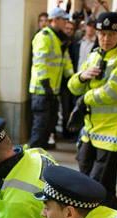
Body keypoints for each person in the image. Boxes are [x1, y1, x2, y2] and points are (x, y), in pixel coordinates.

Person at [67, 12, 117, 210]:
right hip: (91, 130)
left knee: (96, 185)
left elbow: (113, 92)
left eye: (110, 34)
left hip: (114, 131)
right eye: (101, 34)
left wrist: (85, 99)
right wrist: (82, 77)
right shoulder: (94, 55)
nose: (105, 39)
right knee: (91, 181)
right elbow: (73, 86)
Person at [29, 7, 74, 150]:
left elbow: (65, 61)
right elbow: (39, 62)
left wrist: (74, 79)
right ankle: (33, 155)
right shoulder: (44, 37)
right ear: (55, 20)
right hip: (42, 90)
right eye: (64, 20)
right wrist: (46, 85)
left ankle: (40, 153)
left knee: (49, 124)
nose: (66, 23)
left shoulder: (58, 38)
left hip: (53, 90)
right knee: (40, 125)